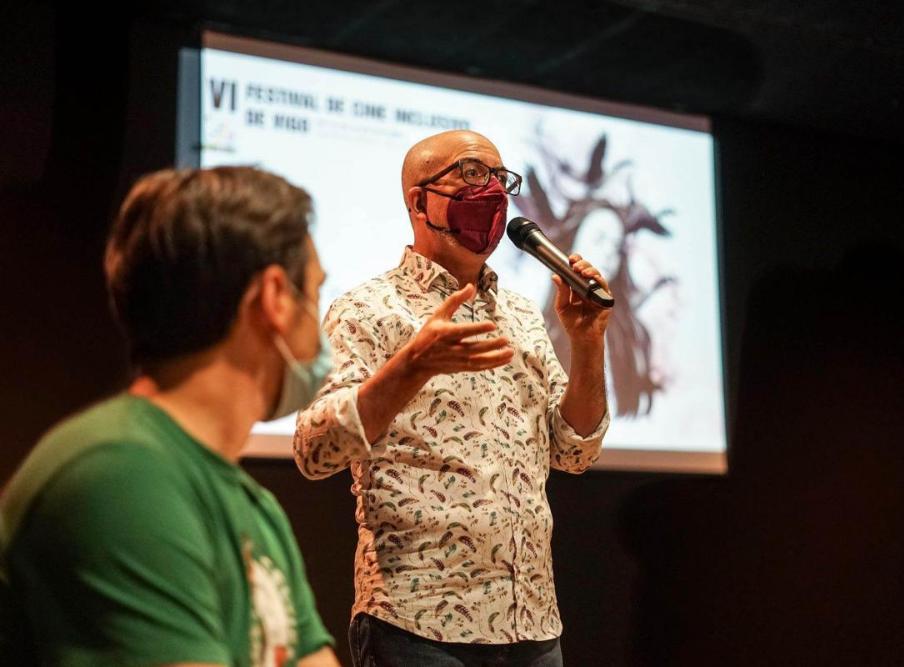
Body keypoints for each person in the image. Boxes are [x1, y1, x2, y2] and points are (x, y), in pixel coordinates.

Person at [293, 130, 612, 666]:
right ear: (419, 200)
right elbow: (314, 450)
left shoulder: (522, 315)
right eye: (470, 173)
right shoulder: (368, 309)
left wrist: (587, 343)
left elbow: (575, 451)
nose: (489, 189)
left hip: (531, 622)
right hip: (418, 623)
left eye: (499, 177)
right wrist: (409, 368)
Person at [0, 166, 341, 666]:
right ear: (273, 299)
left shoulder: (253, 507)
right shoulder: (121, 476)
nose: (321, 326)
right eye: (314, 293)